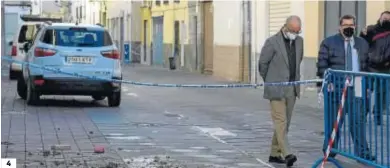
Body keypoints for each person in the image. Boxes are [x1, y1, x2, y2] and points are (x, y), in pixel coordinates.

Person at [316, 14, 376, 161]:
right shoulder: (329, 43)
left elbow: (368, 66)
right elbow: (322, 64)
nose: (348, 28)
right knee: (334, 121)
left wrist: (369, 86)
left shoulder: (362, 44)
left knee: (358, 121)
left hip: (357, 88)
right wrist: (326, 81)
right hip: (336, 88)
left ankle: (363, 153)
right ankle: (330, 150)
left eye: (351, 25)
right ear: (340, 27)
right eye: (345, 25)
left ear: (355, 27)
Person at [258, 15, 302, 167]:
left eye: (298, 31)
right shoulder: (272, 42)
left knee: (285, 123)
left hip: (292, 87)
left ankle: (274, 153)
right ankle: (287, 154)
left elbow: (298, 61)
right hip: (276, 88)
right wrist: (270, 81)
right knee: (280, 121)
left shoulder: (299, 41)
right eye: (293, 31)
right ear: (285, 27)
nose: (295, 34)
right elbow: (262, 64)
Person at [360, 11, 390, 125]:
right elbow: (362, 43)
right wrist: (362, 34)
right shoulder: (371, 29)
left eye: (388, 19)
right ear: (380, 18)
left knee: (381, 95)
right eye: (384, 18)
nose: (386, 20)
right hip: (370, 67)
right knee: (366, 92)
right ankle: (363, 114)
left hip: (385, 69)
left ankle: (377, 117)